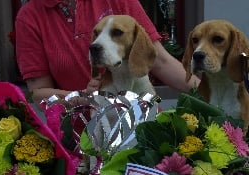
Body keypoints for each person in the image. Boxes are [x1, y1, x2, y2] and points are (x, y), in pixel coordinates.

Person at [15, 0, 199, 107]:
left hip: (141, 124)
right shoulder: (30, 16)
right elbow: (38, 92)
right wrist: (82, 96)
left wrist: (208, 92)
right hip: (80, 134)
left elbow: (161, 62)